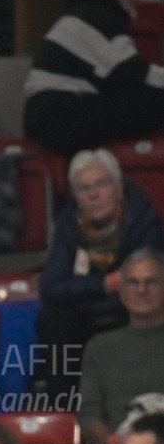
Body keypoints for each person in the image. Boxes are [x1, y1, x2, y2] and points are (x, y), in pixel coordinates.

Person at [36, 150, 164, 403]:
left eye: (101, 184)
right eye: (84, 189)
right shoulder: (69, 224)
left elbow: (141, 285)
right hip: (87, 311)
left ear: (118, 187)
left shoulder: (144, 222)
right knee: (53, 319)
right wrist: (105, 284)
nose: (93, 195)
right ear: (75, 196)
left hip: (126, 311)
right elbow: (50, 288)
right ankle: (64, 409)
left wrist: (86, 296)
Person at [23, 0, 164, 156]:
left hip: (49, 114)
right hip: (58, 115)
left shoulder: (89, 12)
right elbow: (136, 74)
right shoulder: (99, 19)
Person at [61, 249, 164, 444]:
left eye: (151, 282)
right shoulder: (100, 347)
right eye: (133, 282)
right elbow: (88, 413)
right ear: (121, 290)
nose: (142, 290)